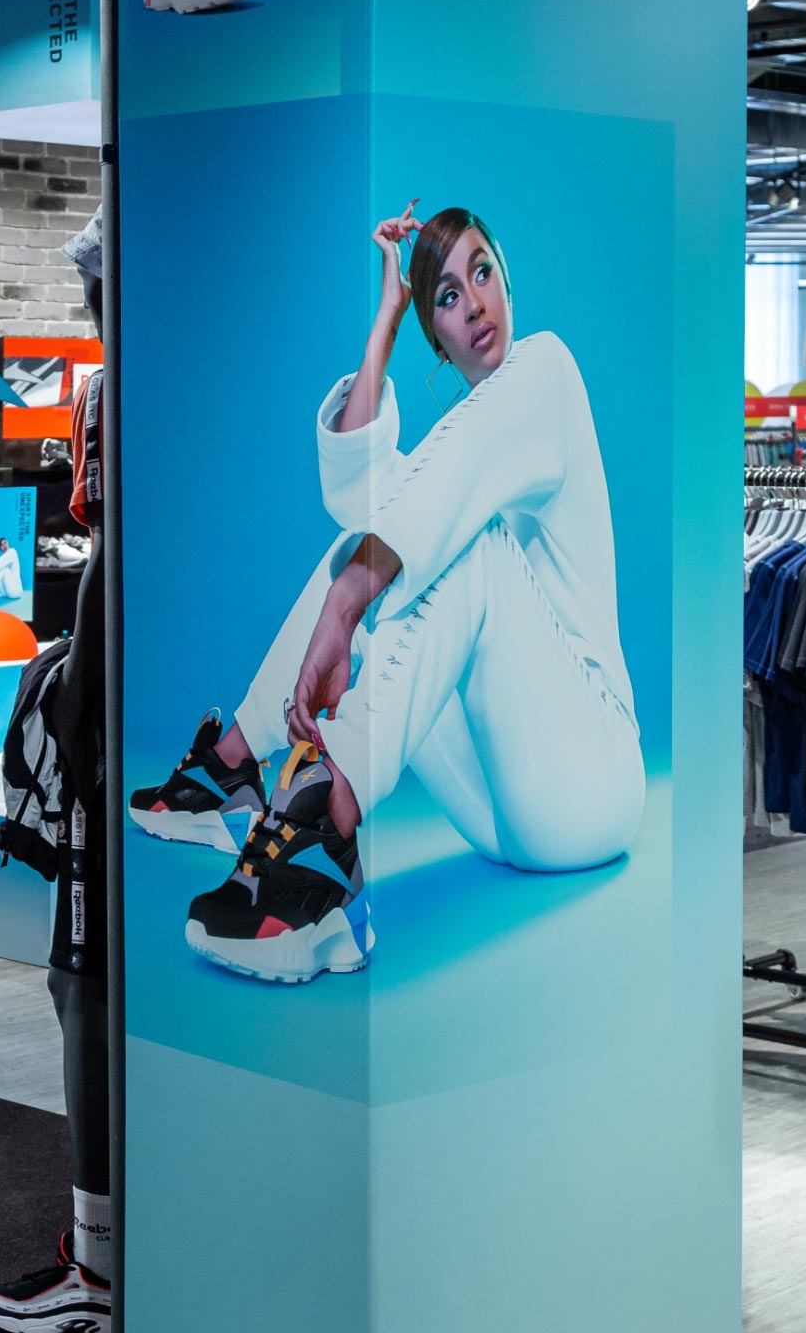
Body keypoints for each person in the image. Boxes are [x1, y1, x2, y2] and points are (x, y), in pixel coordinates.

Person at [130, 204, 645, 985]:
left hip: (593, 786)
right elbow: (362, 499)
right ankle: (233, 767)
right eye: (447, 297)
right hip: (498, 811)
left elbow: (428, 506)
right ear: (435, 333)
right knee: (369, 543)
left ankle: (328, 825)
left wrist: (345, 608)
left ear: (506, 282)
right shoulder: (454, 457)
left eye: (482, 272)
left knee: (448, 551)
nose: (474, 303)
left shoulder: (550, 378)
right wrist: (385, 323)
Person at [0, 209, 111, 1333]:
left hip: (119, 752)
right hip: (179, 728)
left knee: (86, 988)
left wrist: (71, 703)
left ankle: (100, 1269)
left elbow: (112, 566)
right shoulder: (201, 385)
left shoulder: (119, 392)